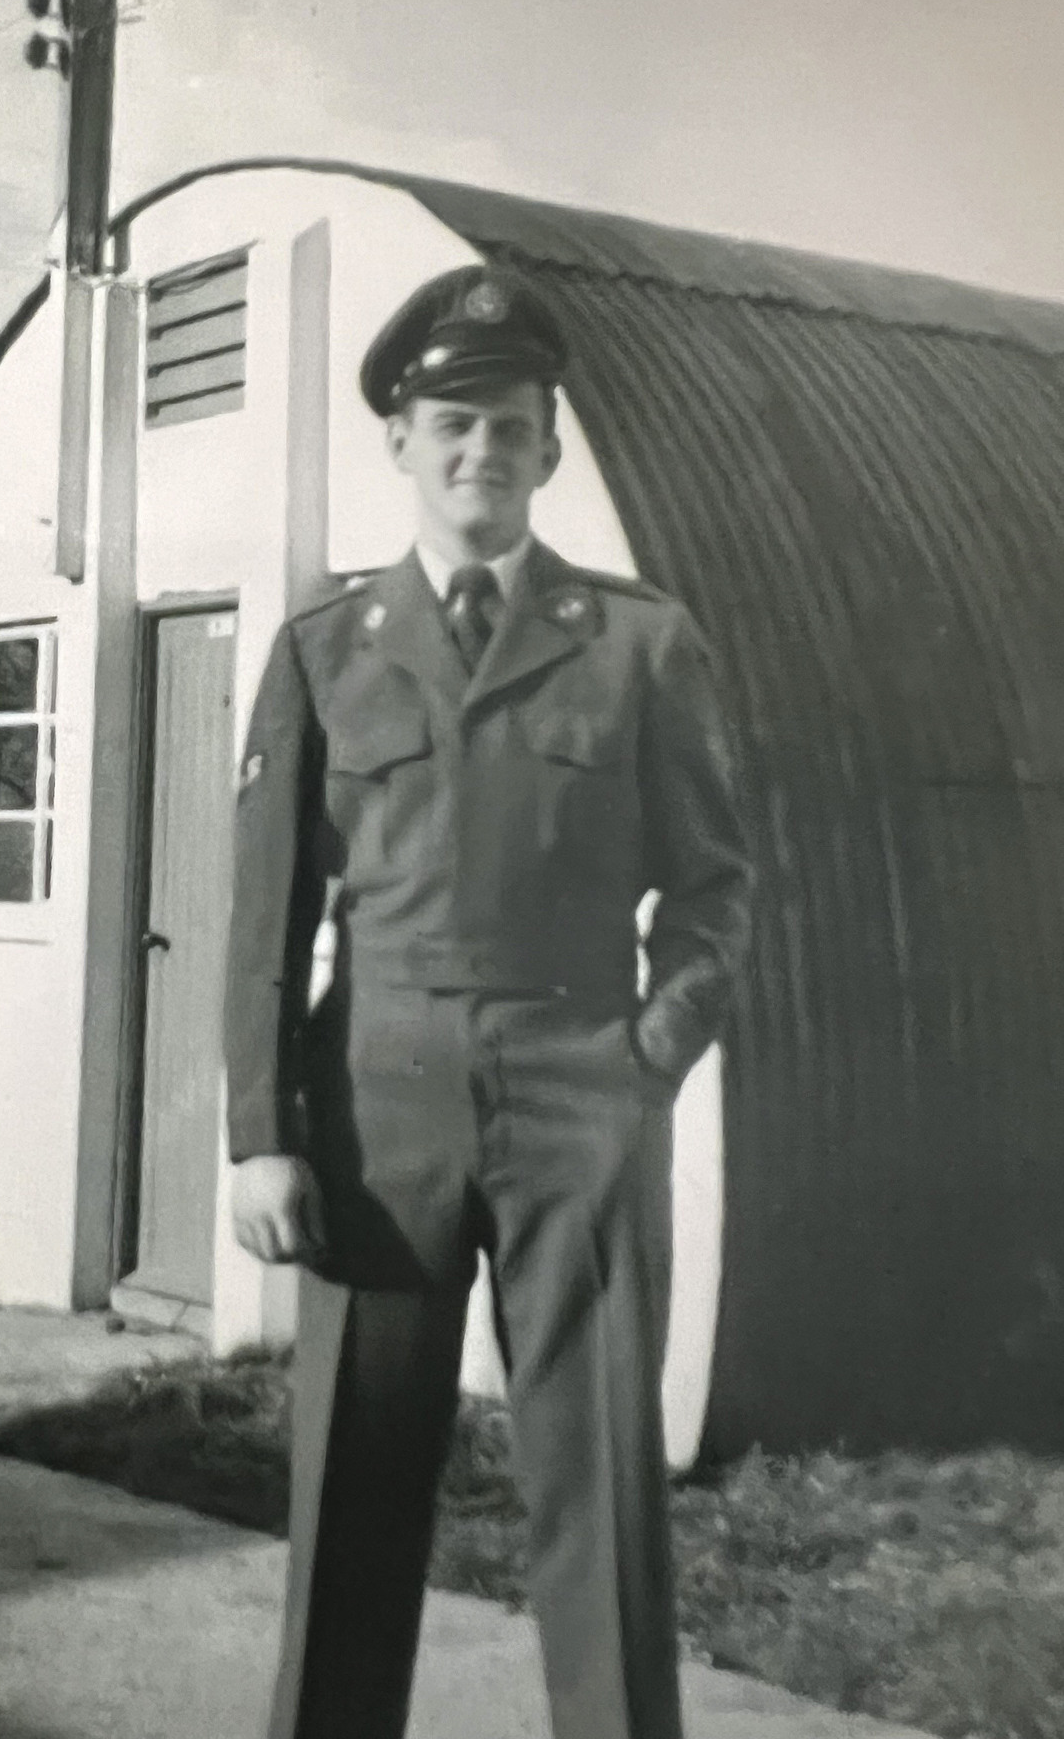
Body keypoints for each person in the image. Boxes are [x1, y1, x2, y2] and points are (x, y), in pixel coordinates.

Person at [222, 263, 753, 1739]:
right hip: (379, 1094)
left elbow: (715, 886)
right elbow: (266, 915)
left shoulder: (640, 644)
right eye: (452, 421)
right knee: (358, 1485)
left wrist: (648, 1056)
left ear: (551, 447)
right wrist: (263, 1132)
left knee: (601, 1490)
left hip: (581, 1082)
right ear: (400, 439)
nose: (480, 451)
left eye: (511, 425)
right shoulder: (325, 653)